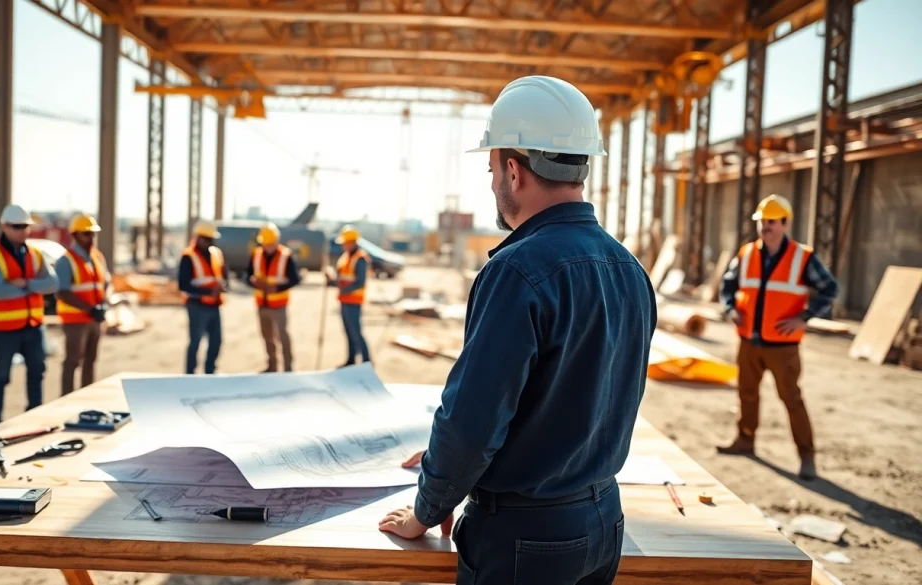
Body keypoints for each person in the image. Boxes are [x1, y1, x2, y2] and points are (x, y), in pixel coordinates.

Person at [377, 75, 657, 585]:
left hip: (527, 540)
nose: (491, 184)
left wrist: (429, 503)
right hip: (603, 523)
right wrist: (449, 464)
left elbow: (472, 421)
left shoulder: (516, 270)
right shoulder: (628, 268)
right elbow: (579, 404)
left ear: (513, 168)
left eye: (491, 168)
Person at [716, 194, 839, 480]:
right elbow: (728, 284)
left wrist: (804, 317)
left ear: (785, 224)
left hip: (783, 347)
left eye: (771, 222)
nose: (765, 227)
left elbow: (830, 289)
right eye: (762, 222)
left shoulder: (802, 257)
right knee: (746, 393)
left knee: (792, 399)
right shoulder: (747, 253)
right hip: (749, 341)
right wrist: (731, 308)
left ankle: (807, 456)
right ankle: (745, 440)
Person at [0, 204, 60, 426]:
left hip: (33, 327)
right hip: (5, 330)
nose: (22, 231)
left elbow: (53, 283)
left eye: (25, 226)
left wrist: (25, 283)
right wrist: (35, 286)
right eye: (16, 227)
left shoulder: (35, 254)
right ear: (4, 226)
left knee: (37, 372)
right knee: (0, 377)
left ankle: (34, 418)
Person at [54, 213, 110, 396]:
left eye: (93, 234)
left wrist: (103, 305)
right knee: (72, 361)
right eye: (87, 234)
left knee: (90, 360)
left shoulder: (97, 257)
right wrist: (90, 309)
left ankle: (86, 398)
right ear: (75, 235)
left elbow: (105, 284)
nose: (91, 238)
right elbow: (61, 291)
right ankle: (66, 399)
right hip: (75, 320)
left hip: (95, 318)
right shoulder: (66, 260)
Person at [246, 221, 301, 372]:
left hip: (279, 305)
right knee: (267, 337)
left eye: (271, 243)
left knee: (283, 337)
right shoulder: (256, 254)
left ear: (277, 240)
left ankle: (288, 368)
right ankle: (272, 366)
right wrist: (254, 283)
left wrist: (277, 288)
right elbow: (248, 275)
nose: (269, 247)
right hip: (261, 303)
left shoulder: (286, 255)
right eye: (266, 244)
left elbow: (295, 279)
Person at [178, 220, 227, 374]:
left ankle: (210, 372)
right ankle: (190, 375)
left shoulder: (216, 253)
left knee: (216, 341)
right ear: (198, 238)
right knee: (195, 342)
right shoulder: (188, 256)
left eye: (211, 239)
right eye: (207, 239)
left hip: (214, 305)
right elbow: (183, 285)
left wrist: (223, 286)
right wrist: (206, 292)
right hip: (197, 305)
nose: (209, 243)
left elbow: (223, 276)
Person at [333, 224, 371, 367]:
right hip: (344, 301)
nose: (343, 245)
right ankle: (351, 361)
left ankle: (366, 362)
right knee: (348, 332)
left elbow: (360, 282)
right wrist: (332, 281)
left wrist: (344, 290)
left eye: (345, 242)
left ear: (352, 242)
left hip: (354, 302)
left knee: (356, 333)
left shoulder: (360, 258)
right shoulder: (345, 257)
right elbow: (342, 277)